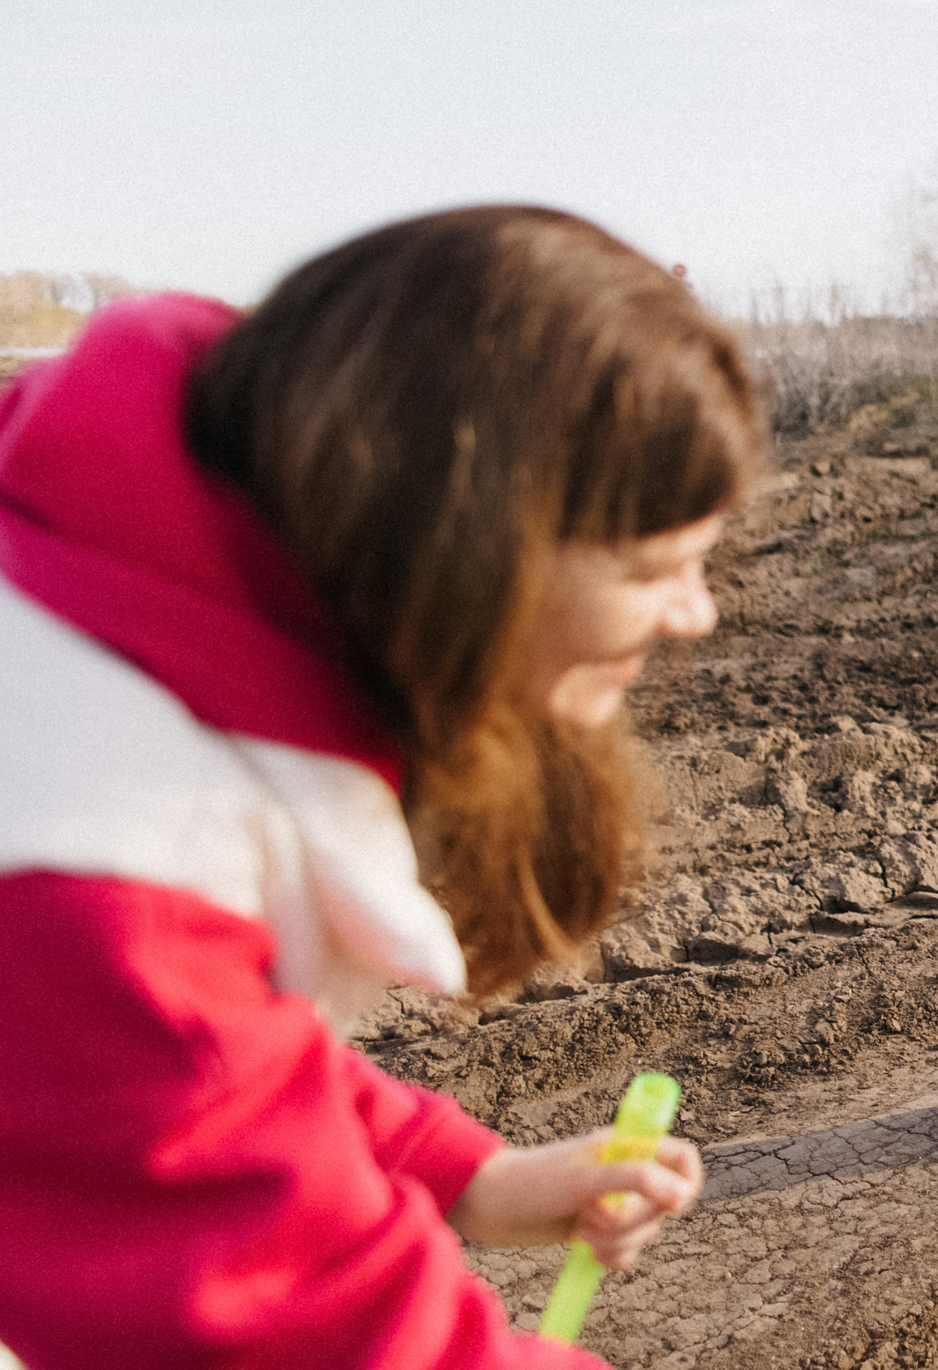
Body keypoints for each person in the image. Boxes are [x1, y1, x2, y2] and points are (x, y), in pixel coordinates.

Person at [0, 206, 763, 1366]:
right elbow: (301, 1317)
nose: (698, 614)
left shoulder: (112, 624)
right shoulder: (112, 851)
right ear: (470, 545)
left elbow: (215, 1081)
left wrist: (465, 1175)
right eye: (655, 566)